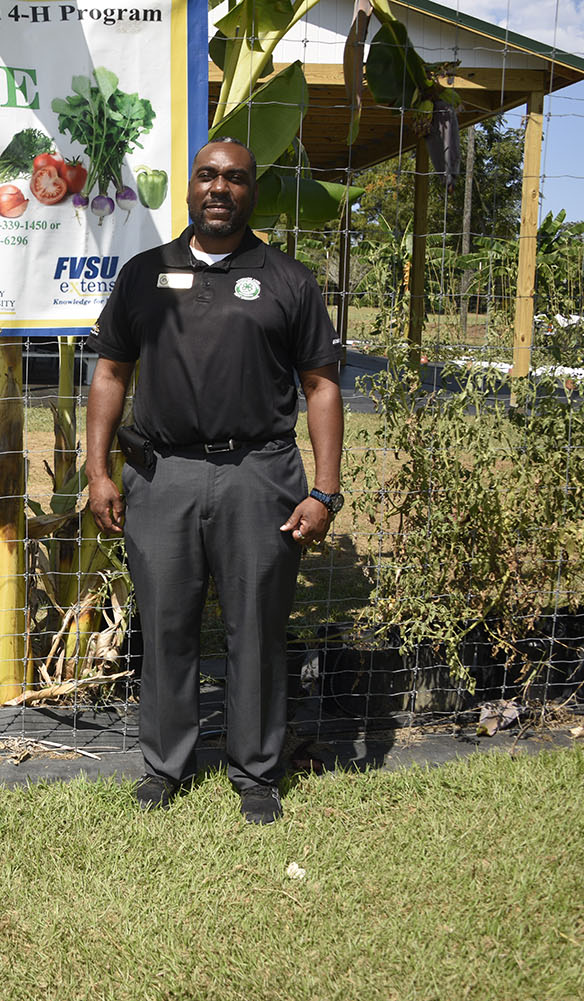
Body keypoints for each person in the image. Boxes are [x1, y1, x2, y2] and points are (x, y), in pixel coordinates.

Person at [85, 138, 344, 825]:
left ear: (251, 191)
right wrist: (96, 471)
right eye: (207, 176)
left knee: (256, 628)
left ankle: (256, 771)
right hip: (161, 475)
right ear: (191, 188)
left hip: (259, 476)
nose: (219, 188)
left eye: (234, 177)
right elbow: (110, 371)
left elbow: (321, 385)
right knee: (166, 623)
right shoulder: (145, 274)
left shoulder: (290, 280)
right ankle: (165, 765)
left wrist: (323, 489)